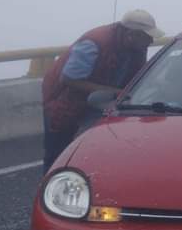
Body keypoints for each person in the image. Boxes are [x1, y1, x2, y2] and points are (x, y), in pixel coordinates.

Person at [41, 10, 164, 169]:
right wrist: (114, 91)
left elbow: (137, 75)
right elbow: (70, 78)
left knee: (96, 151)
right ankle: (51, 185)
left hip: (100, 101)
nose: (151, 41)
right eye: (148, 36)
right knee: (57, 152)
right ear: (131, 34)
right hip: (64, 100)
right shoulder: (94, 43)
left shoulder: (137, 46)